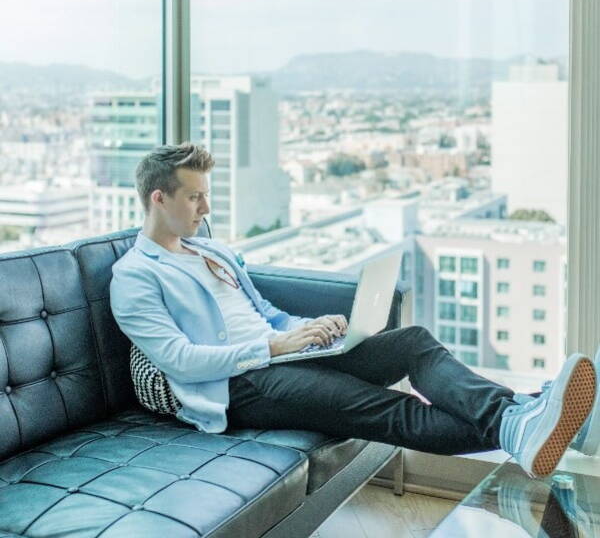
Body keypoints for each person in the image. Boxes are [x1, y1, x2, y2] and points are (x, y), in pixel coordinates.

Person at [110, 143, 599, 480]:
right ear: (159, 198)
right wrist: (274, 346)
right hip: (238, 385)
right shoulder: (135, 276)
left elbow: (266, 312)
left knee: (413, 343)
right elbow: (180, 360)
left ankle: (529, 420)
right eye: (195, 196)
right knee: (383, 407)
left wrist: (310, 328)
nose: (205, 207)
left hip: (283, 356)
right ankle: (532, 420)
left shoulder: (212, 251)